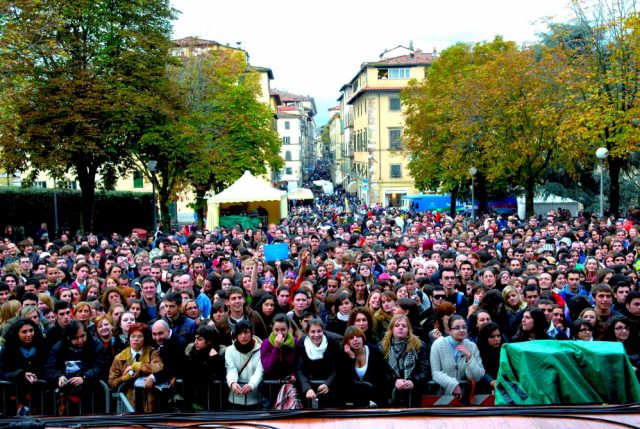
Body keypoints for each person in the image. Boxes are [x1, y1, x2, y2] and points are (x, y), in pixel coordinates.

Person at [44, 321, 108, 413]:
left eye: (83, 336)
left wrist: (84, 377)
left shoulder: (96, 345)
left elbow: (99, 367)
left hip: (91, 395)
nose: (80, 341)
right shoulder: (58, 347)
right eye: (75, 338)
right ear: (68, 337)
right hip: (65, 397)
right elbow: (49, 369)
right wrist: (59, 376)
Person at [108, 323, 163, 412]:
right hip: (127, 403)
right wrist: (125, 378)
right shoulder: (119, 357)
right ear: (129, 338)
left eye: (139, 336)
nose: (136, 339)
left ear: (145, 338)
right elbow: (111, 382)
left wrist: (135, 365)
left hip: (149, 401)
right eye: (133, 336)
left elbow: (158, 367)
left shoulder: (152, 352)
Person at [430, 315, 485, 403]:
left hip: (466, 398)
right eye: (457, 328)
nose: (462, 330)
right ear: (449, 331)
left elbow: (477, 376)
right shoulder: (438, 344)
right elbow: (435, 373)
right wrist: (453, 385)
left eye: (464, 327)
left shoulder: (472, 346)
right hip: (442, 397)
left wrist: (469, 357)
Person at [0, 318, 48, 415]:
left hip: (39, 396)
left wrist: (39, 376)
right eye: (24, 332)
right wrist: (21, 374)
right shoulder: (8, 349)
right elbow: (2, 371)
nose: (29, 335)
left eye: (31, 330)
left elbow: (48, 367)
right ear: (17, 333)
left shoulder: (41, 346)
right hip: (14, 396)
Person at [380, 314, 429, 406]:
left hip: (414, 395)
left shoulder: (419, 346)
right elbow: (380, 373)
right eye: (397, 325)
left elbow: (425, 371)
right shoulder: (382, 347)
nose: (400, 328)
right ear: (391, 329)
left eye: (404, 326)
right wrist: (394, 382)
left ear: (408, 330)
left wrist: (413, 381)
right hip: (390, 396)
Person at [337, 326, 388, 407]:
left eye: (358, 336)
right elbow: (344, 381)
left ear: (363, 338)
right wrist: (351, 358)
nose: (355, 339)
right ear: (347, 342)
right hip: (353, 400)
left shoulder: (374, 352)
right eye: (351, 338)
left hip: (375, 398)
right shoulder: (343, 355)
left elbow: (382, 378)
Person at [295, 317, 338, 408]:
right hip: (309, 390)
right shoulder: (302, 344)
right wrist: (307, 388)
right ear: (307, 333)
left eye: (319, 331)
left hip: (328, 391)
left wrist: (328, 384)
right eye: (313, 332)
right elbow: (299, 370)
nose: (316, 335)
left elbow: (336, 369)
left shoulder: (332, 343)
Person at [184, 324, 226, 410]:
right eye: (195, 338)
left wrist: (214, 359)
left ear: (209, 341)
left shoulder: (219, 353)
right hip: (195, 400)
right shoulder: (191, 353)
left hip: (214, 401)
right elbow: (189, 374)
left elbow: (221, 375)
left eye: (200, 339)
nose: (196, 342)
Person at [224, 320, 263, 408]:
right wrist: (232, 383)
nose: (243, 336)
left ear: (251, 333)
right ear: (236, 335)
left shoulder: (261, 349)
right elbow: (231, 369)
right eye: (240, 333)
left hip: (256, 398)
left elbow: (260, 370)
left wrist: (252, 384)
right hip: (235, 398)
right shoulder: (230, 350)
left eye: (246, 332)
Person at [476, 322, 504, 390]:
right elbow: (480, 371)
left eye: (498, 336)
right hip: (483, 388)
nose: (497, 339)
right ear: (485, 337)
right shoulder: (477, 351)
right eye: (492, 337)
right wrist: (491, 381)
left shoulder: (504, 350)